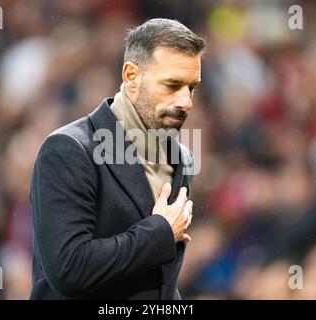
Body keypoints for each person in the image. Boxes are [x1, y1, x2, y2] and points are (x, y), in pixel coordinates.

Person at [30, 18, 205, 299]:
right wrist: (159, 232)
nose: (186, 102)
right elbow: (68, 269)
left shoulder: (181, 158)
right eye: (172, 85)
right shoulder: (68, 149)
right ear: (131, 77)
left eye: (191, 87)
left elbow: (159, 283)